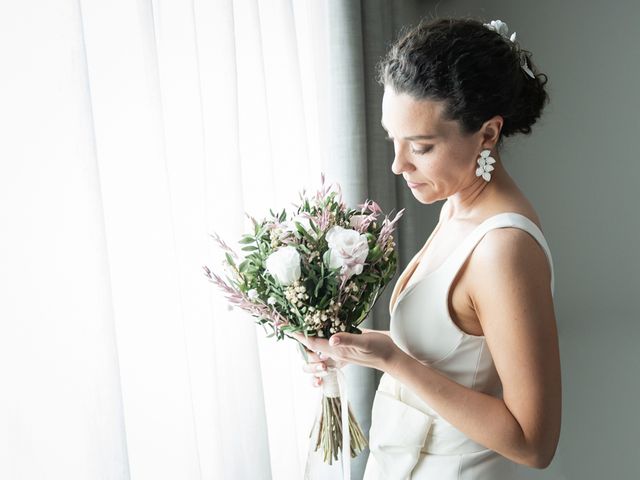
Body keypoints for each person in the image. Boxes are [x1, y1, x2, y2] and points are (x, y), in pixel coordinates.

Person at [293, 16, 561, 479]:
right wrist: (362, 349)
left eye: (420, 146)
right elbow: (458, 358)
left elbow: (533, 443)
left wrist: (393, 360)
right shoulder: (457, 205)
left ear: (488, 134)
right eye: (392, 139)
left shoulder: (503, 248)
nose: (398, 164)